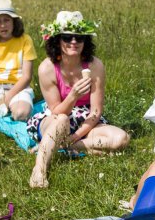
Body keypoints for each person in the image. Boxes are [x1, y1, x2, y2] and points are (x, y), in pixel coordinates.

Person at [27, 10, 129, 188]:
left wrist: (74, 137)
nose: (73, 42)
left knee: (121, 138)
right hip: (56, 119)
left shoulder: (94, 65)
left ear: (85, 41)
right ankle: (39, 169)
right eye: (67, 37)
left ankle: (63, 147)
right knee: (63, 119)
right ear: (57, 39)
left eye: (79, 37)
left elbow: (96, 110)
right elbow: (57, 111)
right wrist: (73, 96)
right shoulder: (47, 68)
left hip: (85, 120)